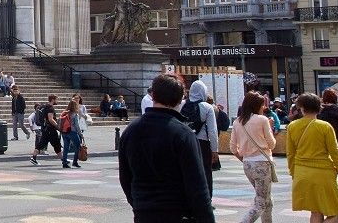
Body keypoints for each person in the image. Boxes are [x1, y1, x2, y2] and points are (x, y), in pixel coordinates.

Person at [119, 74, 215, 223]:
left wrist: (139, 204)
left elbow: (125, 178)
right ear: (181, 98)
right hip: (178, 213)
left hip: (144, 212)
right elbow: (197, 187)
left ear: (153, 96)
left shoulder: (130, 131)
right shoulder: (183, 133)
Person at [287, 92, 338, 222]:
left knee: (316, 211)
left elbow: (290, 154)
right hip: (324, 173)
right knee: (337, 212)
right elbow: (336, 154)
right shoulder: (324, 126)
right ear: (319, 107)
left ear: (302, 108)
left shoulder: (292, 126)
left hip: (302, 173)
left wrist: (293, 173)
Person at [230, 91, 277, 223]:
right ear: (256, 106)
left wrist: (245, 159)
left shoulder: (237, 122)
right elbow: (272, 144)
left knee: (266, 199)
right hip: (262, 163)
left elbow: (233, 148)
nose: (264, 108)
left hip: (248, 165)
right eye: (262, 105)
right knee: (261, 201)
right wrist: (271, 127)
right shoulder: (262, 120)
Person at [182, 79, 220, 196]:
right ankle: (206, 198)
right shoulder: (207, 107)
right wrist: (215, 150)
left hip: (185, 142)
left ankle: (187, 197)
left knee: (186, 170)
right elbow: (212, 131)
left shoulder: (182, 104)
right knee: (205, 171)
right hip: (202, 143)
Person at [30, 94, 61, 165]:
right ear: (53, 100)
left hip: (44, 129)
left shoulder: (43, 107)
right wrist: (58, 127)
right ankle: (63, 159)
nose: (57, 101)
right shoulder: (50, 108)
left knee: (41, 144)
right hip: (51, 130)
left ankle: (33, 158)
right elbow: (51, 119)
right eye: (56, 99)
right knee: (57, 144)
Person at [319, 89, 338, 159]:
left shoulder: (321, 109)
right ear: (334, 98)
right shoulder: (336, 108)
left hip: (324, 137)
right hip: (337, 136)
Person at [60, 98, 84, 169]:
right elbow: (76, 125)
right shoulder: (74, 114)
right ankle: (75, 162)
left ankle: (64, 163)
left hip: (64, 132)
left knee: (66, 148)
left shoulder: (65, 113)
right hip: (72, 132)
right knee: (78, 146)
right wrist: (80, 134)